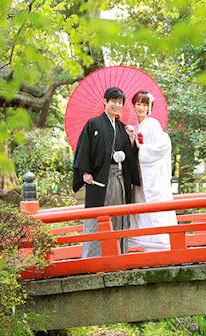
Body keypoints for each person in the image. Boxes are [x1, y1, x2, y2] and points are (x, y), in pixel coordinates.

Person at [72, 86, 141, 258]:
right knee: (98, 217)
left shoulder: (122, 128)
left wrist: (131, 139)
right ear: (105, 101)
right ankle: (93, 257)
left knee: (119, 216)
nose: (117, 105)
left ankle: (119, 254)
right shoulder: (93, 124)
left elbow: (131, 156)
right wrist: (85, 172)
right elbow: (84, 149)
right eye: (114, 101)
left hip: (119, 179)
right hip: (100, 180)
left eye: (120, 103)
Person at [125, 90, 178, 251]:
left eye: (145, 105)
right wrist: (132, 139)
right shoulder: (135, 127)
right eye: (138, 104)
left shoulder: (153, 125)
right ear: (134, 106)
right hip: (141, 176)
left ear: (149, 107)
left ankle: (160, 243)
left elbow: (163, 146)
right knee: (141, 206)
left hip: (153, 176)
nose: (141, 108)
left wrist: (141, 147)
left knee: (155, 206)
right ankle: (143, 241)